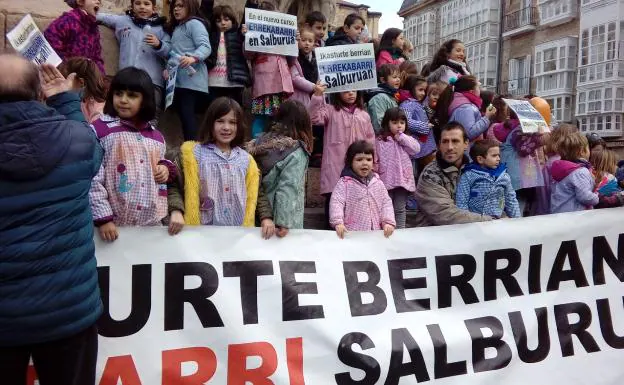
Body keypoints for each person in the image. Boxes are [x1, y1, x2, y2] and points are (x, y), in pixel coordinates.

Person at [0, 55, 102, 384]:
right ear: (38, 93)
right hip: (70, 313)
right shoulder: (76, 139)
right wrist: (65, 101)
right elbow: (92, 151)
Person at [89, 67, 175, 242]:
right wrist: (103, 218)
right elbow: (92, 176)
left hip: (151, 228)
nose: (123, 100)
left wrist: (166, 169)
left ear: (145, 100)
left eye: (132, 95)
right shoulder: (100, 130)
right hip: (112, 228)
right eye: (118, 93)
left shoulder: (157, 137)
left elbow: (161, 163)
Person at [168, 97, 259, 227]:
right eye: (220, 121)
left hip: (237, 235)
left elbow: (257, 194)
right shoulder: (193, 154)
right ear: (210, 123)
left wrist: (266, 217)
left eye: (232, 122)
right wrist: (176, 211)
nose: (226, 127)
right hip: (201, 235)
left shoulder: (246, 160)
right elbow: (173, 185)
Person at [309, 88, 375, 228]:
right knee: (333, 203)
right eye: (346, 91)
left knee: (355, 205)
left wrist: (374, 164)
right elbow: (313, 117)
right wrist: (318, 95)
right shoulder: (330, 111)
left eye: (354, 91)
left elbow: (371, 142)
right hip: (335, 167)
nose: (351, 94)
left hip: (358, 169)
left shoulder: (364, 115)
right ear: (337, 93)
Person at [247, 100, 313, 238]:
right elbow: (289, 187)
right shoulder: (296, 151)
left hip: (260, 216)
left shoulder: (259, 143)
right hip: (281, 224)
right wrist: (284, 222)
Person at [97, 0, 171, 121]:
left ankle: (148, 139)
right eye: (138, 3)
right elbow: (102, 17)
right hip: (127, 76)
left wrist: (159, 44)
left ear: (154, 8)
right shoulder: (123, 21)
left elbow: (170, 51)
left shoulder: (162, 27)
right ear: (132, 6)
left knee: (150, 115)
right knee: (122, 114)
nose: (142, 7)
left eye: (146, 4)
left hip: (152, 80)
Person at [413, 122, 494, 226]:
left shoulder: (475, 171)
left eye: (455, 141)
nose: (450, 147)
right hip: (435, 237)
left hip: (471, 234)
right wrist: (490, 221)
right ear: (439, 145)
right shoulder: (429, 175)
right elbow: (446, 215)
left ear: (466, 144)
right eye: (445, 142)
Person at [246, 0, 294, 138]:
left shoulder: (283, 34)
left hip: (282, 85)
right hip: (264, 85)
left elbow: (291, 59)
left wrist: (293, 41)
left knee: (279, 118)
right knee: (261, 117)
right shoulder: (254, 31)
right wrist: (249, 36)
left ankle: (273, 148)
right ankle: (256, 146)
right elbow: (249, 55)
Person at [330, 140, 395, 238]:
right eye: (359, 160)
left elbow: (386, 203)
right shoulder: (345, 183)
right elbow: (336, 202)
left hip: (375, 234)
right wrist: (338, 222)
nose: (365, 163)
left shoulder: (378, 183)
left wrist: (388, 222)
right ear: (350, 162)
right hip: (352, 233)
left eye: (368, 159)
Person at [166, 0, 212, 141]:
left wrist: (193, 57)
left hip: (192, 81)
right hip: (179, 81)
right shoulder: (178, 28)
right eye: (174, 6)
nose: (176, 9)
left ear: (190, 7)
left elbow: (205, 47)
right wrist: (167, 69)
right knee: (184, 115)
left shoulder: (194, 24)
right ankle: (190, 146)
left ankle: (192, 147)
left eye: (181, 6)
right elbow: (175, 54)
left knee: (188, 115)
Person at [493, 108, 545, 215]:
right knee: (518, 205)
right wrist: (538, 138)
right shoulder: (519, 130)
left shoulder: (514, 128)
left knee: (516, 204)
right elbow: (523, 149)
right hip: (520, 177)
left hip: (514, 173)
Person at [375, 108, 420, 229]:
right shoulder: (380, 140)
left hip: (402, 180)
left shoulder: (407, 139)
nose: (399, 126)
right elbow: (376, 159)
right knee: (386, 208)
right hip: (386, 180)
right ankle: (387, 230)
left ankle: (401, 232)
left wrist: (402, 137)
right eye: (394, 123)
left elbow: (416, 149)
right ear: (387, 123)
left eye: (402, 123)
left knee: (400, 209)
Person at [456, 139, 520, 219]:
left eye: (499, 155)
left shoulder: (504, 176)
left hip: (497, 222)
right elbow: (462, 201)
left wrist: (517, 221)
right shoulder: (469, 175)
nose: (498, 159)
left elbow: (511, 200)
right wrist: (465, 222)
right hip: (475, 222)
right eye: (494, 156)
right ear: (480, 159)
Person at [44, 0, 106, 75]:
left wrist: (100, 77)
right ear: (80, 1)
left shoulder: (94, 29)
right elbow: (50, 40)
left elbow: (97, 57)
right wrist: (65, 67)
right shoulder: (67, 21)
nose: (98, 2)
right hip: (65, 76)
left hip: (85, 78)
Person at [206, 5, 251, 106]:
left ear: (233, 20)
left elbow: (247, 17)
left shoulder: (238, 34)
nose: (223, 23)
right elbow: (205, 10)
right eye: (218, 21)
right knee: (215, 111)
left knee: (234, 111)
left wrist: (252, 3)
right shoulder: (210, 35)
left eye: (226, 19)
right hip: (213, 82)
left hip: (235, 82)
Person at [435, 76, 496, 142]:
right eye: (478, 87)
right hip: (466, 150)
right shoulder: (465, 107)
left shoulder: (462, 103)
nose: (480, 90)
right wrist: (487, 117)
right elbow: (468, 134)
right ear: (472, 92)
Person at [550, 132, 598, 213]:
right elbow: (585, 197)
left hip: (558, 213)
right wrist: (597, 196)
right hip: (574, 216)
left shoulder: (562, 169)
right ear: (582, 151)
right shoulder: (580, 172)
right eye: (588, 148)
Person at [58, 57, 107, 122]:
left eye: (65, 82)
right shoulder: (85, 99)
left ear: (81, 82)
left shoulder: (98, 115)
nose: (62, 87)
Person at [290, 27, 324, 107]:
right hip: (297, 97)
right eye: (303, 40)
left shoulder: (317, 59)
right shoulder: (294, 58)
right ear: (298, 41)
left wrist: (318, 87)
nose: (307, 43)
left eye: (310, 41)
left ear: (314, 43)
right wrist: (313, 87)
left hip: (313, 96)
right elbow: (295, 78)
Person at [367, 64, 401, 134]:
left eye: (399, 77)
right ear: (383, 80)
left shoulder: (391, 95)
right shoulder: (379, 98)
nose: (398, 79)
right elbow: (378, 124)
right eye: (394, 77)